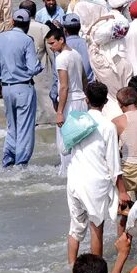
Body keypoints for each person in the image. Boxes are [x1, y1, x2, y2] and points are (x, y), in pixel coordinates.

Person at [65, 81, 126, 264]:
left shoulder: (76, 122)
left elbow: (65, 150)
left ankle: (73, 272)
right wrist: (122, 191)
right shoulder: (108, 126)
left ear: (86, 100)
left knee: (75, 229)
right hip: (95, 184)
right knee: (96, 228)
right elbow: (114, 165)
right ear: (106, 102)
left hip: (74, 180)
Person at [0, 9, 43, 168]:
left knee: (11, 127)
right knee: (25, 128)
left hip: (6, 88)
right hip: (24, 87)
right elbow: (33, 68)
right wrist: (39, 65)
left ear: (12, 22)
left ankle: (7, 162)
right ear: (27, 24)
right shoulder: (27, 40)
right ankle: (21, 165)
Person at [48, 24, 89, 172]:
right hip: (81, 101)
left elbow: (63, 86)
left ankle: (67, 174)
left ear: (61, 40)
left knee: (65, 143)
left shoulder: (61, 58)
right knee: (81, 141)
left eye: (53, 43)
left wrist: (59, 112)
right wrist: (86, 97)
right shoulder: (76, 54)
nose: (51, 47)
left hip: (69, 102)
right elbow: (85, 79)